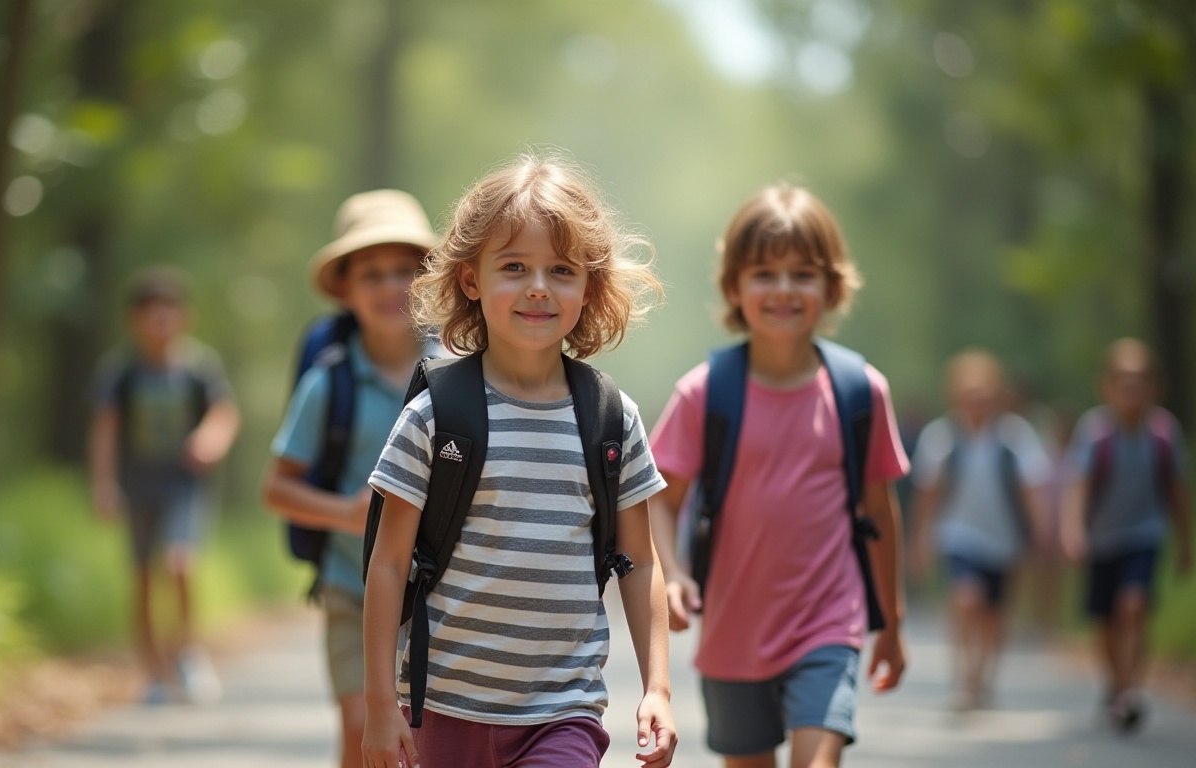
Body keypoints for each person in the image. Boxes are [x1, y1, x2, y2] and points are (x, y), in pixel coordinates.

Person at [362, 152, 677, 768]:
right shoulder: (434, 416)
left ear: (588, 287)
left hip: (563, 711)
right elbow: (389, 562)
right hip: (443, 707)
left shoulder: (612, 420)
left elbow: (640, 562)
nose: (538, 287)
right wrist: (379, 704)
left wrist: (657, 688)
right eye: (513, 267)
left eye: (561, 270)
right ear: (471, 280)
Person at [647, 183, 909, 768]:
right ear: (734, 287)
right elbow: (659, 498)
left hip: (829, 622)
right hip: (732, 634)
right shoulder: (704, 393)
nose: (784, 289)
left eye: (803, 274)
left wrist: (891, 624)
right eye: (764, 273)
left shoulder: (861, 391)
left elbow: (880, 512)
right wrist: (674, 574)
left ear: (832, 287)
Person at [261, 189, 438, 768]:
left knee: (430, 739)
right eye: (372, 275)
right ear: (345, 289)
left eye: (405, 271)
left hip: (440, 593)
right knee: (365, 728)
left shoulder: (459, 371)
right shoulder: (329, 383)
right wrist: (348, 513)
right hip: (351, 586)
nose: (391, 287)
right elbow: (276, 487)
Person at [88, 266, 240, 705]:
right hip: (137, 485)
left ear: (184, 317)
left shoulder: (199, 368)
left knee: (179, 564)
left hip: (184, 485)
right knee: (141, 578)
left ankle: (186, 654)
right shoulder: (121, 372)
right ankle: (153, 672)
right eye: (151, 314)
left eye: (169, 312)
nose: (161, 322)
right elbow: (105, 429)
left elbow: (224, 412)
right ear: (134, 320)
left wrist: (210, 439)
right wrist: (103, 484)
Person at [1059, 337, 1192, 733]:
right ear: (1107, 386)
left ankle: (1130, 691)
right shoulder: (1095, 432)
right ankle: (1115, 684)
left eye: (1139, 381)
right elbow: (1079, 486)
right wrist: (1072, 530)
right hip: (1102, 540)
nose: (1131, 390)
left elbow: (1176, 491)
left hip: (1144, 534)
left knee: (1133, 606)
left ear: (1154, 387)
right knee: (1104, 621)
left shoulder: (1164, 433)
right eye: (1123, 381)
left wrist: (1186, 542)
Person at [908, 349, 1052, 712]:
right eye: (968, 394)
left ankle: (982, 679)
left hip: (1006, 539)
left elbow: (1031, 488)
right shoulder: (941, 437)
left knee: (994, 615)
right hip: (958, 534)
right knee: (966, 598)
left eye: (982, 394)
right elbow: (928, 496)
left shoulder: (1015, 436)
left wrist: (1042, 532)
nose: (975, 402)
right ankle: (963, 680)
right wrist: (919, 543)